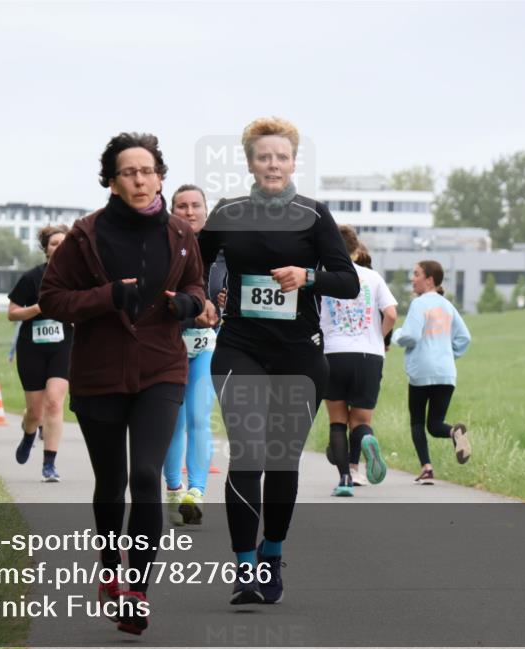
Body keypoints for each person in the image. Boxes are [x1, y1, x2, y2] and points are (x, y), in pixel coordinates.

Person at [38, 132, 211, 636]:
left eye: (148, 170)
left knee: (146, 474)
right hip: (99, 372)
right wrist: (107, 296)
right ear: (111, 182)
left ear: (160, 175)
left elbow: (197, 285)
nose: (139, 179)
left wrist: (189, 303)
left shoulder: (180, 234)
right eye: (128, 172)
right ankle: (110, 568)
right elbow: (52, 298)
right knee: (111, 482)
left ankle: (137, 589)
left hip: (161, 367)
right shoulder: (85, 236)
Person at [198, 117, 359, 605]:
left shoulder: (313, 215)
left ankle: (271, 557)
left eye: (282, 157)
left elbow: (347, 282)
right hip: (239, 348)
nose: (273, 164)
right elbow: (193, 264)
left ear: (293, 162)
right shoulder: (228, 212)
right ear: (249, 162)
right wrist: (201, 300)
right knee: (247, 454)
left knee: (282, 460)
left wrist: (306, 276)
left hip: (298, 355)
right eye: (264, 156)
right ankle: (244, 568)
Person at [320, 225, 398, 496]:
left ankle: (344, 480)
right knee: (361, 419)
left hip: (333, 353)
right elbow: (391, 313)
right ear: (355, 249)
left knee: (337, 421)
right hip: (369, 355)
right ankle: (366, 438)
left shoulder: (324, 278)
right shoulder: (372, 277)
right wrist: (378, 336)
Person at [163, 185, 220, 526]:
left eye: (195, 205)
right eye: (181, 206)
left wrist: (224, 305)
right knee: (175, 420)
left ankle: (195, 493)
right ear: (172, 212)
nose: (189, 211)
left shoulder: (223, 254)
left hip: (206, 345)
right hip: (170, 344)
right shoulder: (163, 249)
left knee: (200, 415)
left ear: (205, 211)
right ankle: (173, 487)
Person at [391, 260, 472, 485]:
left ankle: (426, 467)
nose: (412, 278)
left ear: (429, 280)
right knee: (435, 424)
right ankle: (455, 433)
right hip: (446, 372)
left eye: (416, 274)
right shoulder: (448, 306)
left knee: (417, 422)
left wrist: (397, 335)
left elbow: (411, 336)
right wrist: (446, 354)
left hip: (421, 371)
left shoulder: (419, 304)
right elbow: (464, 338)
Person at [8, 224, 73, 482]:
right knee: (35, 412)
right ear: (46, 249)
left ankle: (49, 464)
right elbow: (12, 313)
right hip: (31, 347)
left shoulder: (77, 278)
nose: (59, 248)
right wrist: (37, 308)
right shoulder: (31, 277)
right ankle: (28, 434)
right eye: (54, 243)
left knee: (55, 402)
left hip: (63, 346)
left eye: (64, 243)